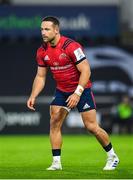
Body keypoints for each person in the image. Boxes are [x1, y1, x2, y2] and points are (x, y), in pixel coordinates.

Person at [27, 16, 119, 171]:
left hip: (81, 90)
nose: (43, 32)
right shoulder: (42, 51)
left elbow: (86, 70)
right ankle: (56, 162)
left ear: (56, 30)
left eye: (47, 29)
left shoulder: (71, 46)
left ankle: (112, 156)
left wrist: (77, 93)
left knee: (91, 127)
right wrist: (33, 95)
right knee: (54, 121)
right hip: (62, 91)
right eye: (42, 29)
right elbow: (41, 76)